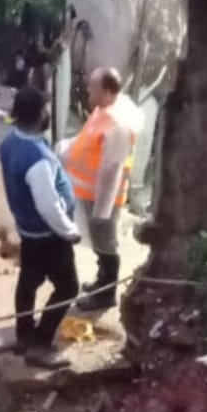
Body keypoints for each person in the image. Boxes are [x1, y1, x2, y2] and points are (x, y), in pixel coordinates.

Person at [0, 86, 81, 369]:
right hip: (49, 235)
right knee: (68, 287)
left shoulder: (10, 142)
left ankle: (24, 333)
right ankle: (42, 342)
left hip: (28, 230)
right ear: (37, 116)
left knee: (29, 281)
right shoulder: (36, 159)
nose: (48, 114)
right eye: (45, 110)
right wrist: (70, 231)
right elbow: (48, 205)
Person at [61, 67, 141, 314]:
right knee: (100, 243)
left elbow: (111, 169)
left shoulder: (117, 125)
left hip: (102, 198)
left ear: (106, 92)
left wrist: (102, 211)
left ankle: (106, 294)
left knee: (106, 244)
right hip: (91, 193)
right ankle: (101, 282)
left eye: (92, 87)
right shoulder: (104, 111)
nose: (87, 90)